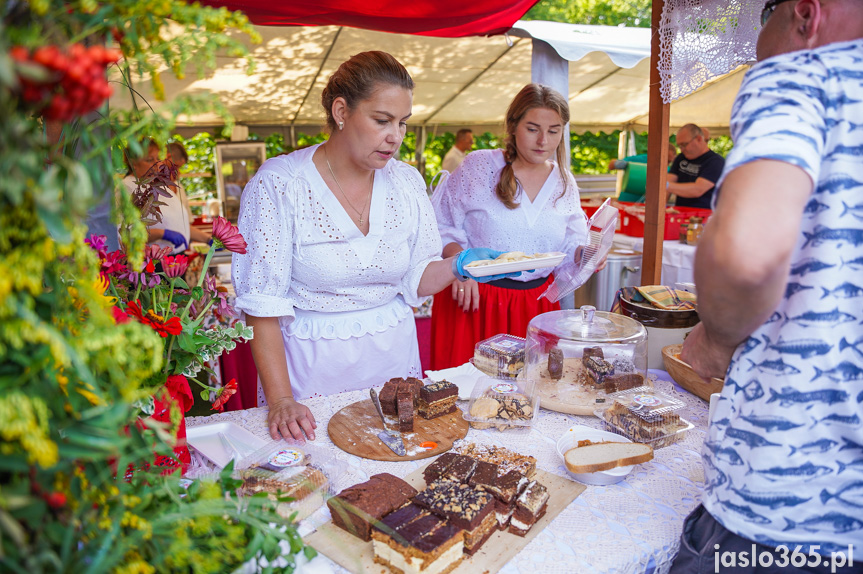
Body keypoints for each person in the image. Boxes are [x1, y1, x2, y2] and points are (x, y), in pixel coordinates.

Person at [232, 51, 517, 442]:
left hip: (393, 358)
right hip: (312, 367)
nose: (395, 136)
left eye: (402, 123)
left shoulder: (406, 182)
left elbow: (416, 278)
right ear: (341, 111)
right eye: (382, 121)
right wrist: (281, 399)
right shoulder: (281, 184)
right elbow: (263, 305)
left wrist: (458, 266)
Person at [670, 1, 863, 571]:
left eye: (762, 27)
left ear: (805, 16)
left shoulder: (807, 72)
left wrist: (714, 341)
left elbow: (747, 252)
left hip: (785, 510)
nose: (758, 51)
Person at [430, 83, 594, 371]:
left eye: (554, 131)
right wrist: (459, 266)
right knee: (466, 398)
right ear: (513, 126)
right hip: (475, 301)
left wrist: (586, 254)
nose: (543, 140)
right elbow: (441, 225)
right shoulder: (479, 166)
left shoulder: (564, 182)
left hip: (534, 308)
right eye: (533, 128)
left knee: (529, 398)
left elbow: (571, 244)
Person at [122, 140, 190, 254]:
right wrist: (162, 234)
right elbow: (127, 233)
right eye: (149, 160)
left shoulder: (157, 184)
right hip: (152, 263)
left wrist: (208, 239)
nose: (156, 164)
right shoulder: (126, 188)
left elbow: (175, 221)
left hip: (174, 258)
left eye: (158, 159)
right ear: (133, 163)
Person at [667, 123, 725, 209]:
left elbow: (698, 189)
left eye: (684, 144)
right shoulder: (681, 158)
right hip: (679, 213)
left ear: (698, 139)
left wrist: (665, 185)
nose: (681, 149)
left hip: (704, 216)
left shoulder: (715, 161)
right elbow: (669, 182)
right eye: (679, 146)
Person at [166, 141, 211, 245]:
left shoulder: (179, 188)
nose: (178, 173)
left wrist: (208, 239)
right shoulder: (151, 190)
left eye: (180, 168)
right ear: (166, 158)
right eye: (176, 167)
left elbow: (185, 226)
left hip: (179, 253)